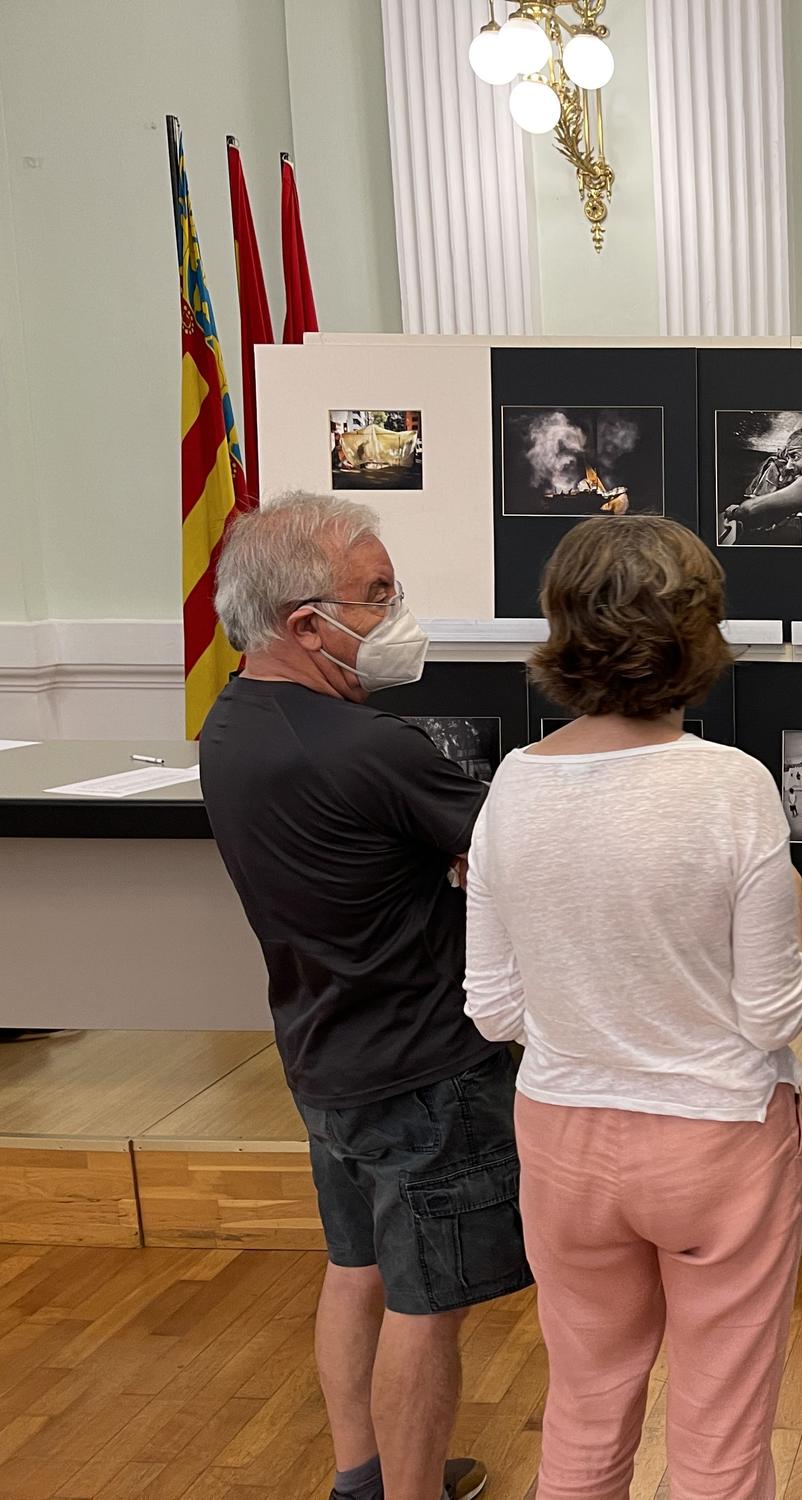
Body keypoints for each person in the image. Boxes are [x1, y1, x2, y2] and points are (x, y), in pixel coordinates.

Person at [463, 515, 802, 1500]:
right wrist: (789, 919)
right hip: (717, 1143)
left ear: (559, 625)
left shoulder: (511, 790)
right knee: (719, 1437)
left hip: (563, 1140)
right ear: (699, 635)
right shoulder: (731, 789)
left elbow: (490, 1009)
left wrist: (593, 1023)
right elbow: (770, 1016)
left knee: (582, 1407)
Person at [201, 493, 524, 1500]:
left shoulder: (229, 724)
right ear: (305, 623)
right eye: (376, 596)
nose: (396, 615)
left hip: (322, 1054)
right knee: (426, 1306)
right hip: (424, 1070)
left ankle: (361, 1476)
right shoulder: (369, 752)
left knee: (357, 1271)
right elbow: (514, 853)